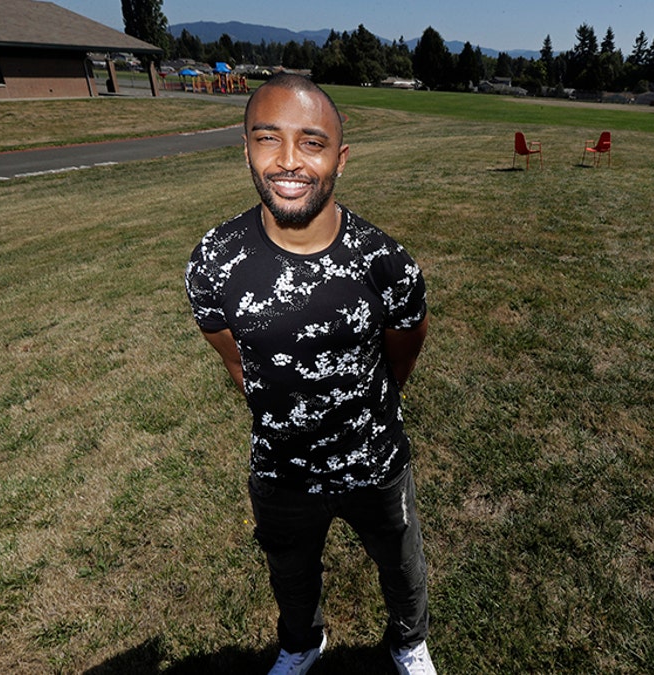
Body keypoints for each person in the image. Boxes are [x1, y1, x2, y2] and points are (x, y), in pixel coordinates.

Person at [185, 73, 435, 675]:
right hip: (280, 469)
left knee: (400, 563)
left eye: (312, 142)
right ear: (245, 148)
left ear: (340, 160)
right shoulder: (214, 263)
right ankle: (301, 644)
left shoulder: (387, 263)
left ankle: (408, 642)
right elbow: (237, 362)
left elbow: (402, 352)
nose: (289, 161)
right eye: (268, 139)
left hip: (373, 460)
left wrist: (365, 404)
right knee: (290, 571)